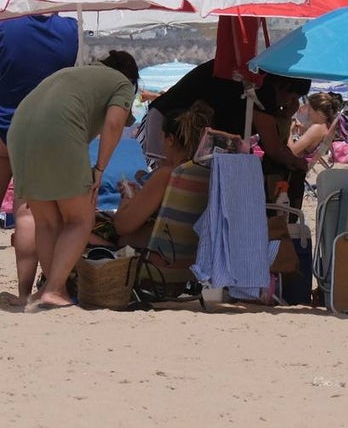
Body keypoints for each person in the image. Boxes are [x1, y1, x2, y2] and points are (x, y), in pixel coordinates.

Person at [8, 50, 139, 310]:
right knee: (80, 219)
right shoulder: (121, 83)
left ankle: (52, 288)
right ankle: (54, 289)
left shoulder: (74, 74)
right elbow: (114, 124)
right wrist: (100, 168)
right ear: (132, 79)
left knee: (47, 222)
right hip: (58, 132)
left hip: (18, 132)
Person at [0, 14, 79, 306]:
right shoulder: (71, 29)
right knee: (27, 214)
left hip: (2, 121)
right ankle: (24, 294)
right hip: (40, 128)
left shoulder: (5, 26)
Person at [109, 101, 214, 248]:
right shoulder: (207, 172)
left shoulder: (169, 175)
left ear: (170, 139)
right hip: (192, 254)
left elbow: (122, 225)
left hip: (163, 257)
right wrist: (140, 196)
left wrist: (127, 197)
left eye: (162, 138)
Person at [251, 74, 313, 208]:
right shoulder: (264, 94)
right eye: (292, 97)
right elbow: (274, 148)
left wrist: (287, 115)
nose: (291, 103)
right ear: (285, 87)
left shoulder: (265, 93)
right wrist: (296, 161)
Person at [289, 91, 344, 159]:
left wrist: (289, 130)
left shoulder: (317, 128)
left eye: (310, 109)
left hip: (295, 162)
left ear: (319, 112)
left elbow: (292, 152)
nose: (308, 113)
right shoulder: (326, 126)